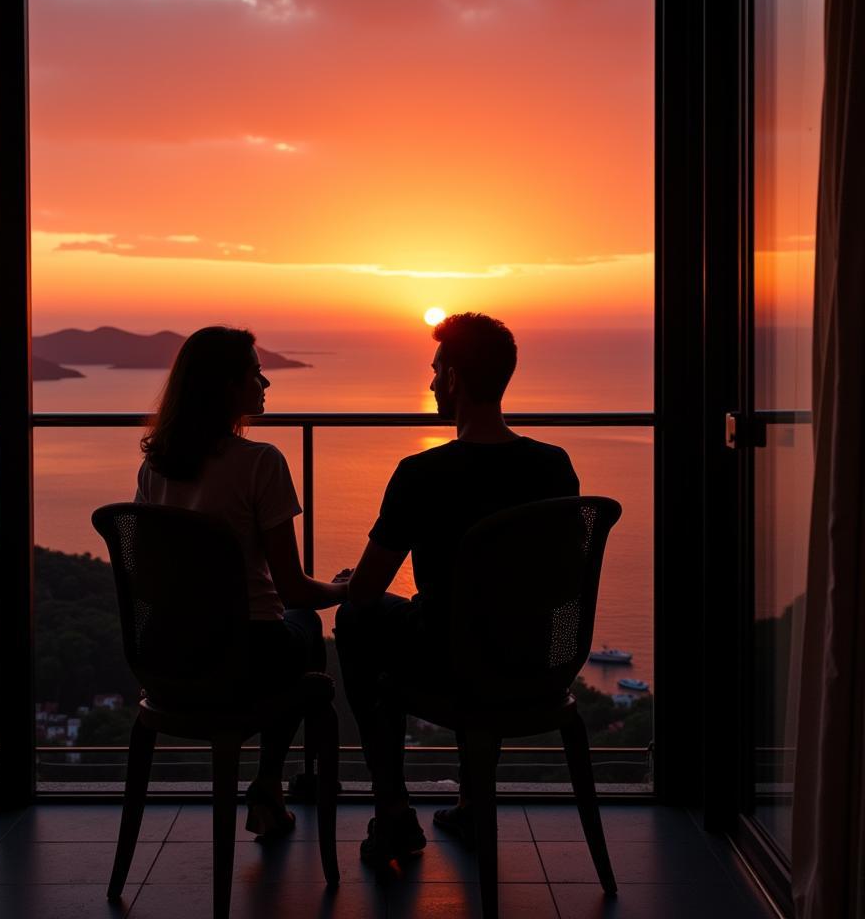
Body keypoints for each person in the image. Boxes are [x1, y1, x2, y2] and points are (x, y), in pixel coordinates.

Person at [333, 312, 579, 867]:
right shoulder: (554, 466)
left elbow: (368, 590)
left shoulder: (421, 474)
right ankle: (471, 803)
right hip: (539, 662)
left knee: (356, 622)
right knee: (481, 624)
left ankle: (392, 808)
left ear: (454, 380)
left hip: (452, 666)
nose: (430, 381)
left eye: (435, 369)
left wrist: (348, 586)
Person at [135, 325, 348, 839]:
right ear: (228, 387)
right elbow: (294, 592)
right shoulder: (261, 463)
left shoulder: (155, 468)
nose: (266, 382)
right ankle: (270, 785)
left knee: (291, 640)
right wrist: (343, 589)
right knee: (305, 636)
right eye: (255, 372)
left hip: (168, 657)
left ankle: (270, 792)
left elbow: (148, 572)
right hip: (245, 657)